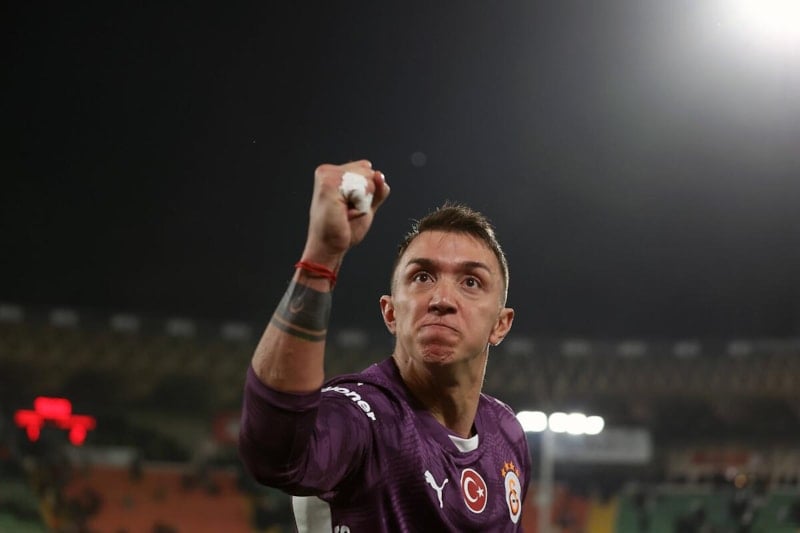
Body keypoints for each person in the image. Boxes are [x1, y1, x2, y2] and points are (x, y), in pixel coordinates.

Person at [239, 160, 530, 532]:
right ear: (390, 313)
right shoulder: (364, 417)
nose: (442, 299)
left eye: (471, 282)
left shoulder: (507, 433)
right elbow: (274, 454)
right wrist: (321, 258)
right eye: (422, 277)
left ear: (501, 324)